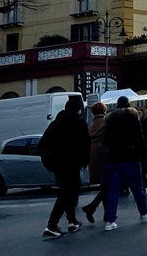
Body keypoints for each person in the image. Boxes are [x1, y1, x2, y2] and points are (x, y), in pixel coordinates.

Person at [38, 95, 90, 238]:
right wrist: (85, 161)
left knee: (67, 192)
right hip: (73, 163)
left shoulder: (55, 124)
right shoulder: (80, 123)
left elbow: (42, 144)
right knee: (67, 193)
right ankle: (51, 225)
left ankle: (72, 221)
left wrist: (48, 162)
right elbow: (86, 144)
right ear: (78, 110)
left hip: (58, 164)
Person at [103, 100, 147, 230]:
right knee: (137, 188)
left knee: (113, 191)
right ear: (128, 105)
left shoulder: (110, 120)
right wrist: (145, 157)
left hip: (113, 160)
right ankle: (143, 212)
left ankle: (109, 221)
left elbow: (106, 142)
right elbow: (140, 139)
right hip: (130, 158)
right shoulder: (132, 119)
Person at [81, 101, 110, 224]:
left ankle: (105, 212)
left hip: (94, 153)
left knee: (104, 185)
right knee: (108, 184)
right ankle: (92, 207)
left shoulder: (92, 125)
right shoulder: (106, 122)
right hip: (105, 152)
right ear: (104, 110)